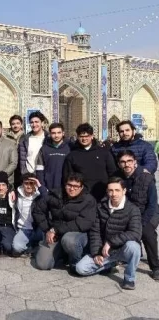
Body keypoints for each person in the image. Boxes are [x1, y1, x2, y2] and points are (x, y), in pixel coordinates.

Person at [75, 178, 142, 290]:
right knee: (80, 268)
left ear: (124, 191)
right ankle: (109, 265)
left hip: (123, 250)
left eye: (117, 190)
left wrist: (110, 242)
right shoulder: (101, 207)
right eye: (110, 190)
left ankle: (129, 279)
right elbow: (95, 231)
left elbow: (135, 233)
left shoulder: (133, 209)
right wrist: (96, 253)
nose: (113, 194)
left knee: (134, 247)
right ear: (107, 191)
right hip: (105, 251)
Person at [32, 173, 97, 270]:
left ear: (81, 187)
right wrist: (47, 230)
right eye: (69, 185)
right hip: (56, 234)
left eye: (76, 186)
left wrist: (55, 230)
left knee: (68, 240)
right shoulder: (55, 195)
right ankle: (62, 254)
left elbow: (83, 223)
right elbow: (38, 211)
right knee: (42, 264)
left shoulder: (88, 200)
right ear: (65, 185)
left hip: (78, 234)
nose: (72, 189)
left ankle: (75, 263)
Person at [117, 150, 159, 280]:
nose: (126, 164)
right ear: (119, 164)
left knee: (147, 232)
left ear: (135, 162)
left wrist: (142, 223)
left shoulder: (147, 178)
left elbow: (152, 204)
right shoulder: (118, 179)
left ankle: (155, 267)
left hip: (149, 212)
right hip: (130, 213)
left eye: (129, 161)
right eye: (123, 162)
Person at [62, 123, 117, 201]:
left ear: (92, 136)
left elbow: (112, 173)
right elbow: (68, 177)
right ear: (77, 137)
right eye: (81, 136)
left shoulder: (104, 153)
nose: (84, 139)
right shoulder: (72, 156)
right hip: (81, 197)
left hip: (103, 196)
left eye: (86, 136)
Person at [35, 123, 70, 197]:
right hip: (49, 187)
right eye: (53, 133)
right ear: (50, 134)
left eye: (59, 133)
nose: (56, 135)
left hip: (66, 188)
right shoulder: (44, 149)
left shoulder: (70, 148)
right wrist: (42, 187)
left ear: (63, 133)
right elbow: (39, 170)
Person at [12, 173, 42, 256]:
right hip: (24, 229)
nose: (29, 186)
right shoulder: (17, 194)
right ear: (22, 184)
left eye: (31, 183)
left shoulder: (40, 195)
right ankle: (30, 247)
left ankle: (34, 246)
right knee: (16, 248)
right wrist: (11, 191)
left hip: (37, 228)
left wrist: (39, 185)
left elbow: (48, 197)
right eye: (26, 183)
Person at [19, 111, 48, 176]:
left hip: (44, 174)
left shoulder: (48, 138)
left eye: (36, 122)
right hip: (29, 174)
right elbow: (23, 159)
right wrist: (25, 173)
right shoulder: (25, 139)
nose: (34, 125)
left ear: (42, 123)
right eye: (32, 122)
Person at [6, 115, 24, 187]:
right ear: (10, 125)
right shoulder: (6, 138)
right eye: (13, 124)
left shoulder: (26, 137)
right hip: (9, 167)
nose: (15, 126)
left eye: (18, 123)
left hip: (21, 168)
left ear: (21, 124)